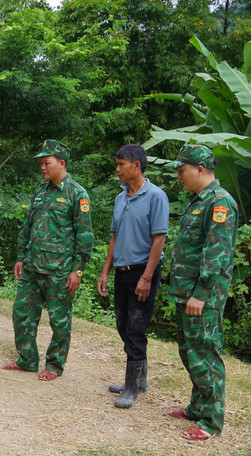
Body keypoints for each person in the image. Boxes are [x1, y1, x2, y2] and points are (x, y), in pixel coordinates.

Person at [3, 140, 93, 381]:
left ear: (61, 163)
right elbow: (27, 226)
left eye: (47, 162)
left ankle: (54, 365)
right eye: (41, 163)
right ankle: (27, 359)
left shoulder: (77, 194)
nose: (42, 167)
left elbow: (84, 237)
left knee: (59, 321)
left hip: (60, 272)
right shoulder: (40, 191)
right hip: (32, 267)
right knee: (21, 314)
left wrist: (78, 271)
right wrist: (21, 256)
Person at [165, 144, 238, 441]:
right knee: (190, 352)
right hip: (187, 291)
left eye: (182, 171)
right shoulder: (199, 201)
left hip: (202, 297)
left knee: (205, 355)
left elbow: (216, 254)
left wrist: (202, 293)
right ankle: (197, 406)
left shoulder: (219, 203)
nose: (179, 176)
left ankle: (210, 421)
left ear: (200, 169)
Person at [97, 144, 169, 408]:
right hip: (122, 271)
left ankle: (131, 389)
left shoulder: (156, 196)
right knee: (123, 326)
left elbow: (159, 239)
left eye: (121, 164)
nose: (117, 169)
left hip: (143, 271)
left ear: (136, 165)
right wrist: (105, 271)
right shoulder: (121, 197)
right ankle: (139, 379)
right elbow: (115, 237)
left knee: (136, 329)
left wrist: (147, 277)